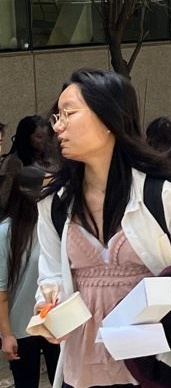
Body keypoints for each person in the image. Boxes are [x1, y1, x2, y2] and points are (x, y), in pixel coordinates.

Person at [35, 68, 171, 388]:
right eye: (56, 116)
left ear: (109, 119)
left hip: (158, 368)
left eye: (69, 113)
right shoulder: (54, 203)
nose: (58, 125)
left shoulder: (163, 192)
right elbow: (51, 274)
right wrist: (48, 308)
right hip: (83, 369)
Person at [1, 166, 58, 388]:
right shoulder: (6, 233)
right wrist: (6, 335)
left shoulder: (54, 225)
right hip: (21, 327)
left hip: (55, 322)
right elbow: (1, 290)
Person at [0, 117, 50, 219]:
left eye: (47, 137)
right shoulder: (13, 162)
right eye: (39, 137)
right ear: (27, 137)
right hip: (21, 219)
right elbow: (5, 199)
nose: (45, 141)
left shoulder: (50, 158)